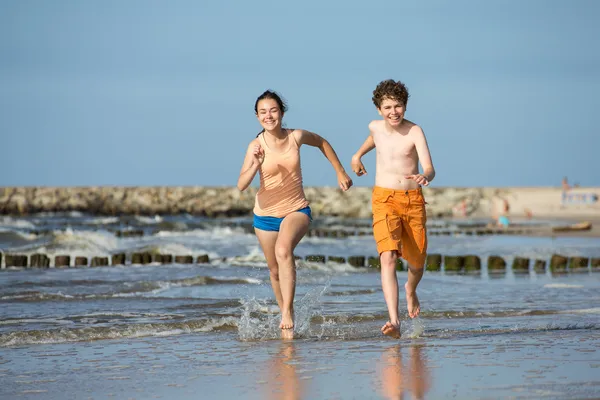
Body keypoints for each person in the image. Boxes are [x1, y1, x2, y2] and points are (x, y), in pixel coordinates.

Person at [237, 90, 353, 332]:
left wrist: (339, 171)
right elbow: (241, 184)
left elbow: (322, 142)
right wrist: (256, 164)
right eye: (263, 112)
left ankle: (288, 311)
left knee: (283, 250)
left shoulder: (296, 136)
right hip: (265, 215)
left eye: (273, 110)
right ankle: (286, 324)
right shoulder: (255, 145)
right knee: (274, 270)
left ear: (281, 112)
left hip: (296, 209)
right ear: (257, 117)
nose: (269, 116)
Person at [351, 79, 435, 338]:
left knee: (417, 261)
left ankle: (411, 289)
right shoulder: (375, 127)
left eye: (398, 106)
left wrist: (425, 176)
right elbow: (373, 138)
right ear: (379, 109)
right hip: (383, 199)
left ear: (405, 106)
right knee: (387, 257)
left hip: (412, 200)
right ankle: (394, 321)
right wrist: (357, 156)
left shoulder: (415, 131)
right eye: (387, 107)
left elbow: (430, 167)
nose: (393, 112)